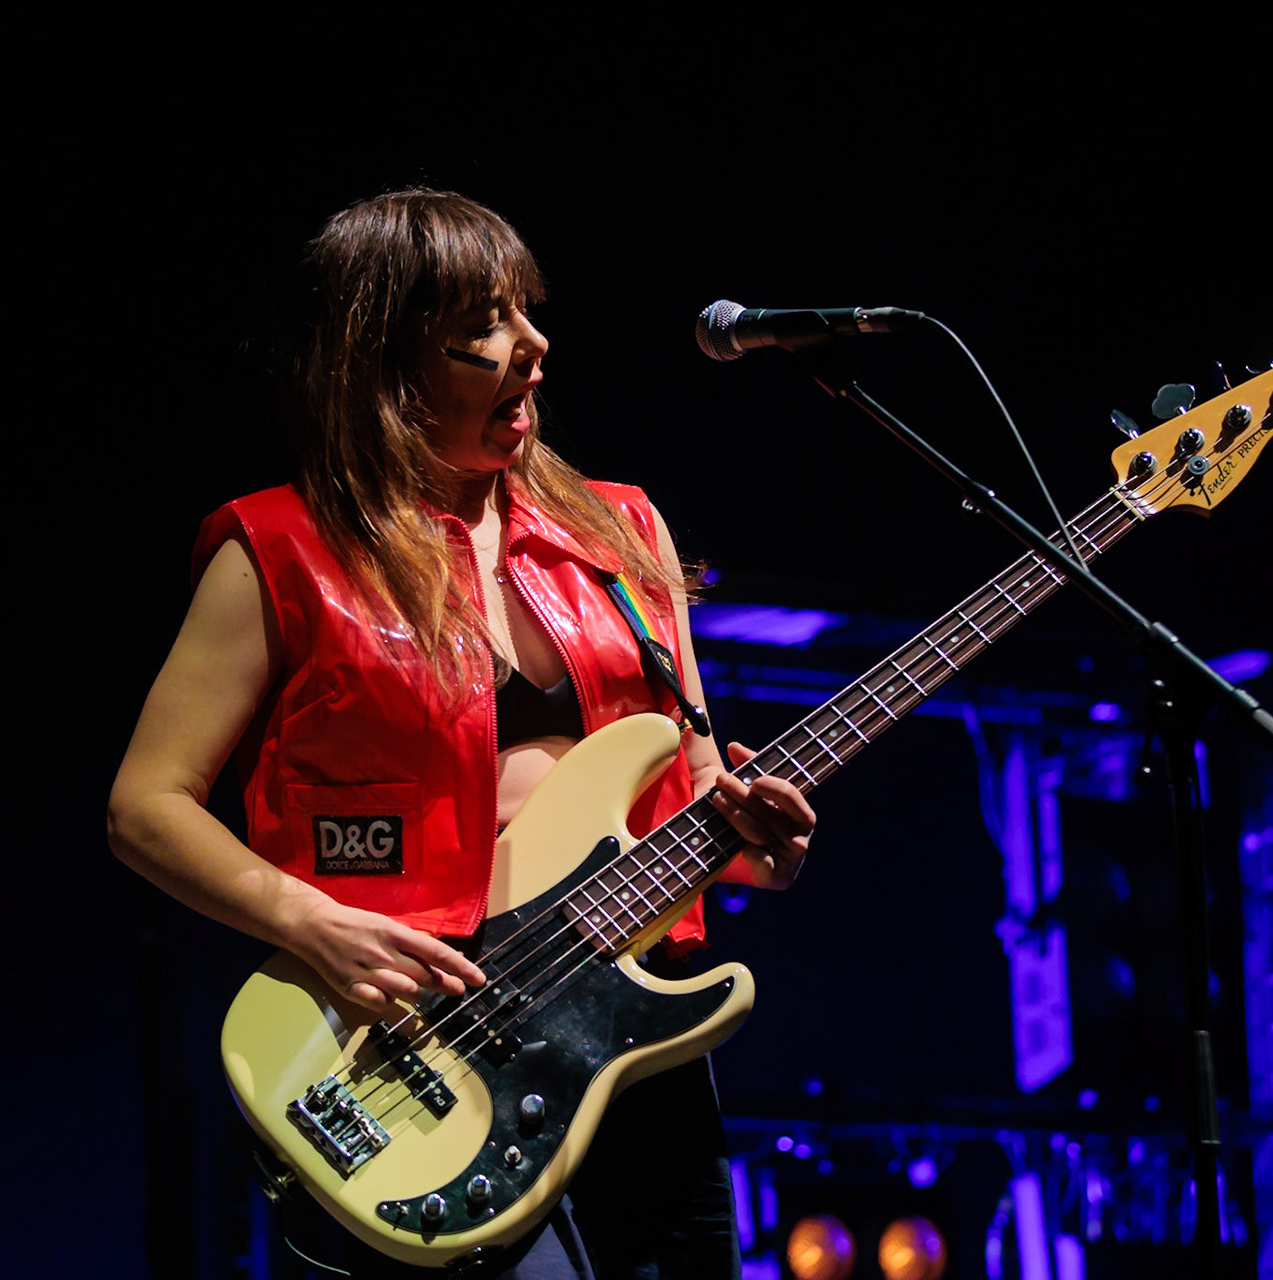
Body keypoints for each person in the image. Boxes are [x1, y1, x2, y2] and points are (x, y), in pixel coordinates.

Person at [107, 188, 816, 1278]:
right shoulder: (279, 552)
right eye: (484, 327)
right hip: (415, 1045)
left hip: (629, 1035)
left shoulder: (622, 531)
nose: (533, 345)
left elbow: (697, 774)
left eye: (527, 311)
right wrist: (315, 922)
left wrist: (754, 839)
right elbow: (145, 807)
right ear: (383, 366)